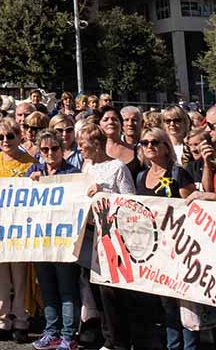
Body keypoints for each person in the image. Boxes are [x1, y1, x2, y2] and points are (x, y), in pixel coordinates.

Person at [134, 126, 198, 350]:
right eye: (145, 143)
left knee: (186, 304)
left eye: (154, 142)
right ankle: (173, 346)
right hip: (156, 250)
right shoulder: (141, 177)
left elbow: (193, 210)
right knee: (168, 304)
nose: (149, 146)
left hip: (180, 247)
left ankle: (189, 347)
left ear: (165, 147)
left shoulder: (178, 173)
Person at [0, 117, 36, 343]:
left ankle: (21, 320)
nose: (5, 140)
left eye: (10, 136)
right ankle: (1, 321)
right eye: (0, 137)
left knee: (20, 276)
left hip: (20, 227)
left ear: (19, 136)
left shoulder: (29, 161)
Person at [79, 122, 135, 350]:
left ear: (97, 144)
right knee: (94, 288)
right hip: (91, 233)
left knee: (110, 291)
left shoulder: (117, 167)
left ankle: (120, 341)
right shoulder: (86, 166)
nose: (80, 149)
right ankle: (107, 337)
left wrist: (104, 195)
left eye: (83, 144)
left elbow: (130, 201)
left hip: (112, 236)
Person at [27, 130, 82, 350]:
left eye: (54, 148)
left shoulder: (72, 172)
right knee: (47, 287)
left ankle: (69, 335)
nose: (50, 153)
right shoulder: (33, 170)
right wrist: (31, 183)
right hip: (40, 241)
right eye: (45, 149)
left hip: (63, 242)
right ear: (39, 152)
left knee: (67, 289)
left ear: (62, 149)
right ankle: (51, 331)